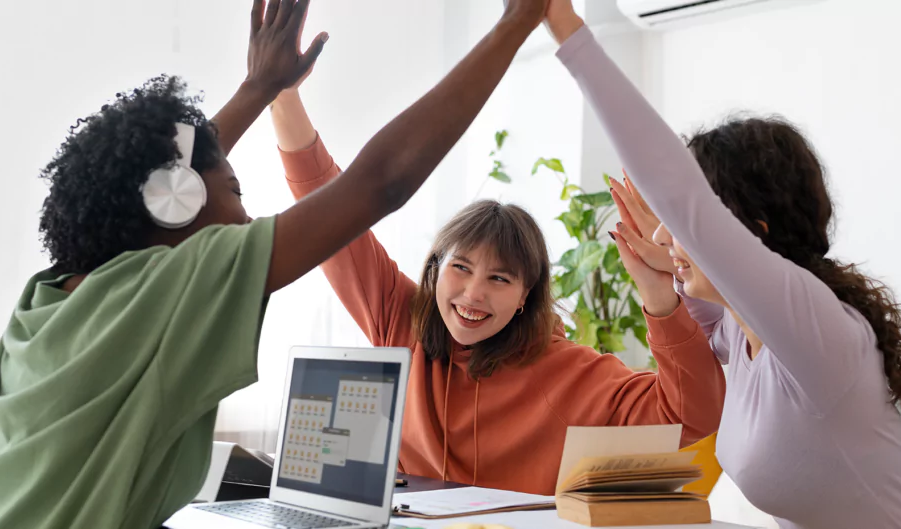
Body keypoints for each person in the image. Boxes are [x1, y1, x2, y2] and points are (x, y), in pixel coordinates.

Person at [0, 0, 553, 527]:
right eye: (236, 193)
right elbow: (382, 181)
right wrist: (515, 23)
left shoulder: (54, 296)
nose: (245, 220)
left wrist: (257, 89)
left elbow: (171, 180)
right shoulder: (165, 288)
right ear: (174, 201)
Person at [542, 2, 901, 528]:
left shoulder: (814, 326)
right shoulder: (741, 336)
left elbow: (676, 187)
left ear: (752, 234)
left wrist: (565, 26)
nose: (663, 233)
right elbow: (692, 325)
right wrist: (661, 282)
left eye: (688, 224)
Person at [271, 68, 726, 496]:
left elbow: (691, 417)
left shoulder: (567, 373)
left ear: (526, 295)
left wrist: (658, 294)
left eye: (499, 278)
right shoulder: (400, 320)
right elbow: (329, 213)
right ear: (435, 270)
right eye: (461, 268)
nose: (473, 294)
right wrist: (283, 95)